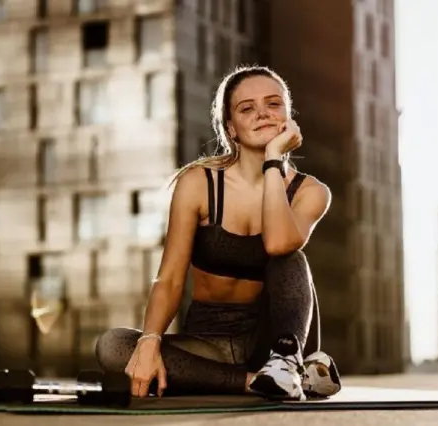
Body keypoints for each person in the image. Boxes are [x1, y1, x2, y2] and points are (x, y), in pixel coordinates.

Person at [95, 65, 342, 401]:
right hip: (207, 343)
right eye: (246, 108)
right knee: (113, 346)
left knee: (290, 258)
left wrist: (273, 160)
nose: (262, 115)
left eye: (273, 104)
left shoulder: (310, 191)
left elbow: (278, 243)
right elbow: (169, 278)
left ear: (288, 116)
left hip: (274, 339)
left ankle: (286, 367)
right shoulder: (199, 184)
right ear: (231, 128)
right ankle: (257, 382)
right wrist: (150, 341)